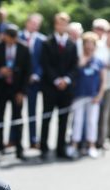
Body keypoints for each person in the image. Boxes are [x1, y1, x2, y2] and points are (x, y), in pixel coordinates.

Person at [40, 12, 78, 159]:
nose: (62, 26)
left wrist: (66, 80)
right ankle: (43, 148)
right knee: (47, 118)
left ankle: (61, 148)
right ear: (55, 25)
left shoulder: (72, 44)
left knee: (63, 120)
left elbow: (74, 66)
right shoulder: (47, 42)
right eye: (59, 23)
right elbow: (45, 64)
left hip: (66, 89)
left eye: (64, 24)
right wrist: (56, 80)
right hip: (50, 87)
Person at [0, 25, 31, 160]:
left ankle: (19, 148)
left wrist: (22, 91)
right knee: (0, 118)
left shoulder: (24, 48)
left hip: (17, 89)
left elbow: (27, 72)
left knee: (17, 119)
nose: (9, 41)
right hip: (1, 88)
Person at [67, 32, 106, 159]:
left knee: (91, 121)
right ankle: (74, 144)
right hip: (79, 96)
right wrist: (82, 62)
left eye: (91, 46)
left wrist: (99, 95)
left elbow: (103, 81)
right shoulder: (79, 60)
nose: (89, 48)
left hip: (93, 97)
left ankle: (91, 145)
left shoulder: (99, 62)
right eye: (87, 45)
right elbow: (74, 76)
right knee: (77, 121)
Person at [19, 13, 46, 148]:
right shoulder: (17, 37)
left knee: (32, 111)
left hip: (34, 82)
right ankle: (14, 139)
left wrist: (36, 75)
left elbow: (43, 61)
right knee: (16, 112)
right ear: (27, 23)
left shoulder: (43, 40)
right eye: (33, 23)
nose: (35, 26)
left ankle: (33, 139)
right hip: (18, 82)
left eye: (37, 24)